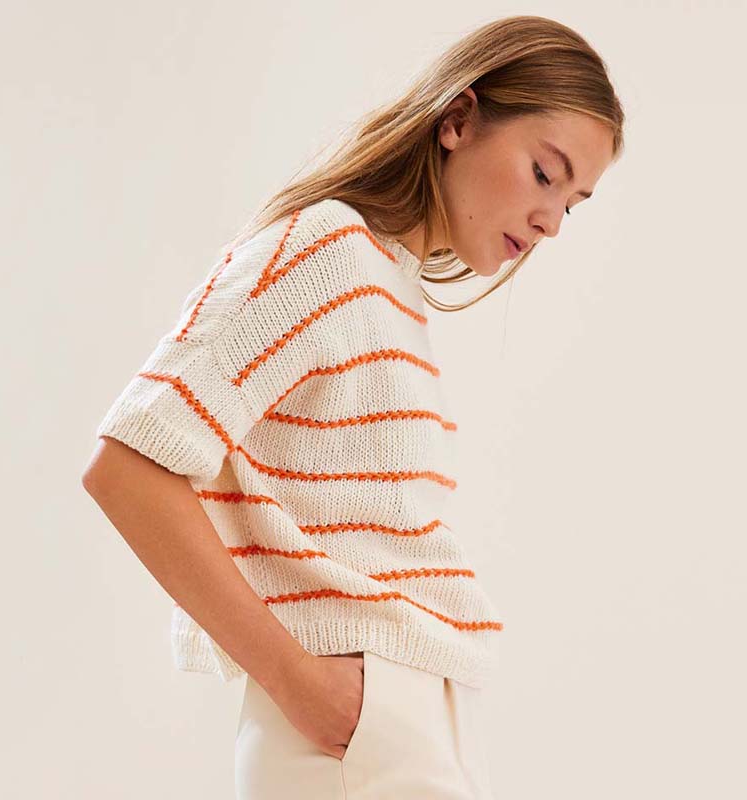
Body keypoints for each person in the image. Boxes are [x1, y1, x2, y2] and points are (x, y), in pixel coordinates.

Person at [82, 14, 624, 799]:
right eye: (546, 173)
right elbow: (128, 468)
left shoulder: (388, 286)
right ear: (458, 119)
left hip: (402, 723)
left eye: (573, 204)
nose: (550, 223)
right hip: (350, 730)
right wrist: (298, 681)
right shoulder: (328, 249)